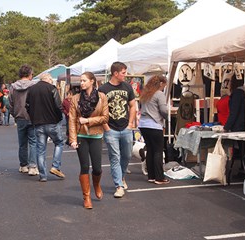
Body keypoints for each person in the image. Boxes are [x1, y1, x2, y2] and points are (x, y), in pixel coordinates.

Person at [69, 72, 109, 209]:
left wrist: (88, 120)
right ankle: (86, 197)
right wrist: (72, 139)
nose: (81, 83)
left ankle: (97, 185)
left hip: (96, 134)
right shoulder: (75, 98)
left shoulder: (102, 97)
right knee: (84, 166)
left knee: (97, 168)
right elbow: (72, 120)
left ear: (92, 81)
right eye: (80, 81)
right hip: (81, 135)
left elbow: (105, 118)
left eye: (84, 80)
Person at [98, 61, 136, 198]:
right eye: (123, 73)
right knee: (115, 157)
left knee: (127, 156)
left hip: (126, 127)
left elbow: (132, 105)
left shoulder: (127, 87)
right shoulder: (103, 89)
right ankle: (118, 186)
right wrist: (106, 127)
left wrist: (130, 123)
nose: (125, 75)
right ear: (115, 73)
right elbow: (99, 110)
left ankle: (122, 176)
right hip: (111, 129)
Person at [26, 73, 65, 182]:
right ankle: (55, 166)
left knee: (40, 149)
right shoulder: (52, 89)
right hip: (52, 122)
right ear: (47, 79)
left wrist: (33, 117)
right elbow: (58, 105)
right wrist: (59, 118)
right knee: (59, 143)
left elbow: (27, 105)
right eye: (51, 80)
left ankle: (43, 175)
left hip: (38, 123)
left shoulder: (32, 89)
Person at [138, 75, 170, 185]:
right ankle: (159, 177)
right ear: (161, 84)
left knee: (150, 150)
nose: (164, 88)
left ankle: (151, 176)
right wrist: (167, 117)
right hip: (154, 124)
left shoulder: (145, 94)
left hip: (143, 124)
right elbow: (164, 110)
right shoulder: (159, 94)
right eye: (164, 85)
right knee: (158, 151)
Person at [10, 64, 38, 176]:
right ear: (30, 74)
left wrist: (14, 114)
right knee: (33, 142)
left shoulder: (13, 87)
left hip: (19, 117)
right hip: (32, 116)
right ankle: (32, 166)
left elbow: (10, 103)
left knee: (22, 143)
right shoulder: (34, 86)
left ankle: (23, 165)